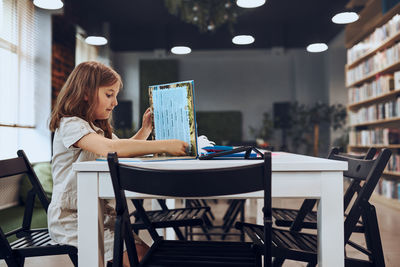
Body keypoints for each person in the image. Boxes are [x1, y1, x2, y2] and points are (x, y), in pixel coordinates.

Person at [48, 61, 188, 266]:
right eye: (109, 94)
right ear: (85, 93)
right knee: (139, 258)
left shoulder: (93, 127)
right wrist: (166, 145)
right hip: (73, 220)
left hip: (102, 216)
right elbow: (109, 149)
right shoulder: (70, 123)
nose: (115, 102)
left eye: (115, 95)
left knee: (146, 257)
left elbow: (122, 150)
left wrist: (145, 130)